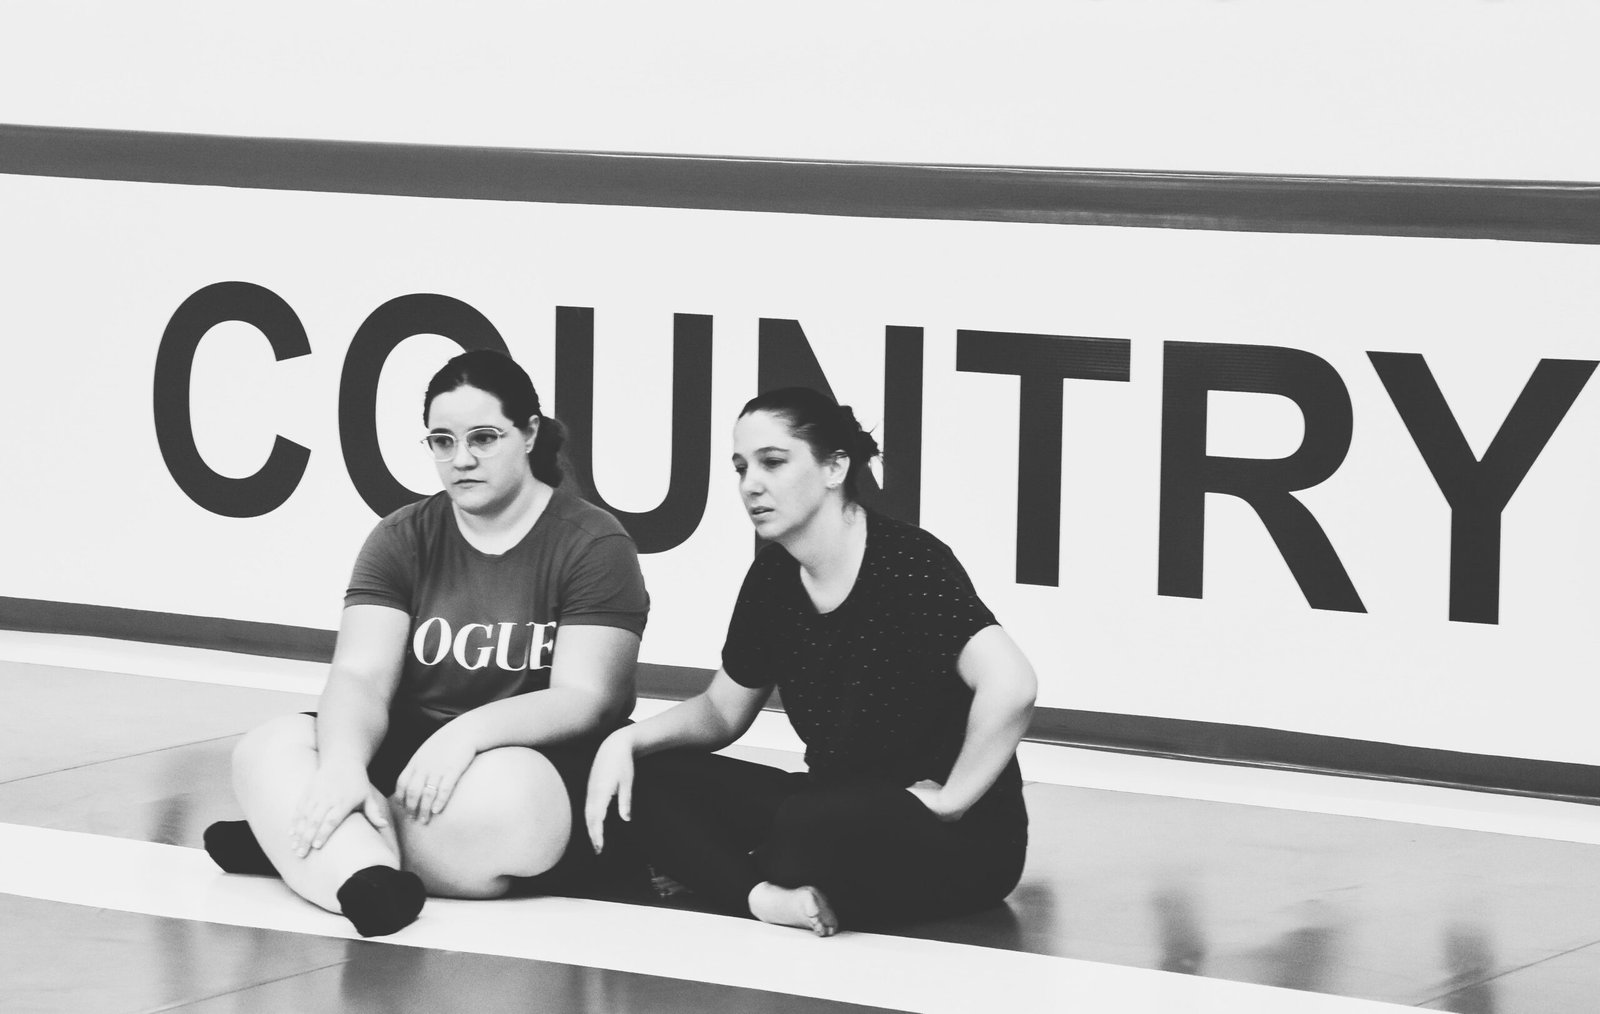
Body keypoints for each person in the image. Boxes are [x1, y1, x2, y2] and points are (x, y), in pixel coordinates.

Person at [204, 349, 649, 937]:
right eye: (442, 441)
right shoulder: (401, 537)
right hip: (407, 762)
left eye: (484, 438)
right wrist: (344, 766)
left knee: (513, 801)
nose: (461, 459)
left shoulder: (593, 543)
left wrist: (465, 735)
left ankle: (310, 847)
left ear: (529, 433)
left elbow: (587, 698)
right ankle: (362, 877)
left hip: (530, 761)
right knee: (267, 747)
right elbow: (360, 676)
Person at [585, 387, 1036, 936]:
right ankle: (762, 897)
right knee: (649, 779)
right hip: (834, 803)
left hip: (951, 837)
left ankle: (728, 871)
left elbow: (1012, 684)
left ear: (834, 467)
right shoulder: (773, 578)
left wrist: (951, 801)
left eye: (773, 462)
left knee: (804, 829)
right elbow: (723, 711)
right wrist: (627, 742)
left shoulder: (908, 562)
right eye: (741, 467)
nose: (751, 484)